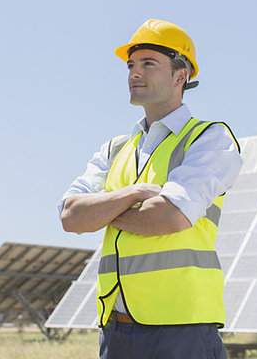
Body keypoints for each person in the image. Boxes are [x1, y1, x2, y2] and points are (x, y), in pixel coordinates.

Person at [58, 19, 243, 359]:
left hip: (183, 330)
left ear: (180, 75)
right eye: (131, 65)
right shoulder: (114, 150)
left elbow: (169, 217)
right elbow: (71, 217)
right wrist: (131, 195)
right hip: (116, 330)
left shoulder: (209, 139)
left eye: (148, 64)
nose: (134, 73)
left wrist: (103, 212)